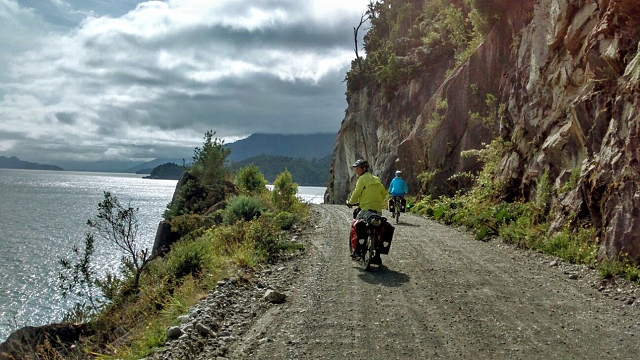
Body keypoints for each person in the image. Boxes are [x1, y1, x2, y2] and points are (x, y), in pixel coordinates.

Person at [346, 159, 387, 262]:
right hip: (377, 210)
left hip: (365, 209)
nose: (356, 170)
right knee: (378, 230)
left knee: (357, 225)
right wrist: (378, 202)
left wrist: (351, 202)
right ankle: (377, 255)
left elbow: (357, 192)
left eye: (358, 168)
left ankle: (357, 251)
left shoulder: (362, 179)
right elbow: (384, 193)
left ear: (364, 168)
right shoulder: (376, 179)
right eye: (355, 168)